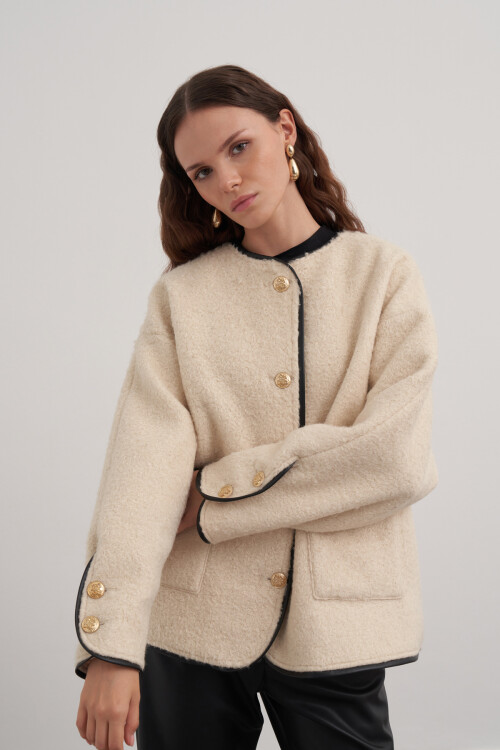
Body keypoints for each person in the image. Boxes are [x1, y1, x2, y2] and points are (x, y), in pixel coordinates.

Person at [74, 64, 439, 750]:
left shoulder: (382, 275)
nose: (228, 180)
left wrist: (214, 501)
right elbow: (140, 479)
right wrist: (112, 646)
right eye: (203, 172)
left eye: (238, 147)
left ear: (285, 129)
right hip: (190, 623)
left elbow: (395, 460)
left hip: (340, 623)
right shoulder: (182, 299)